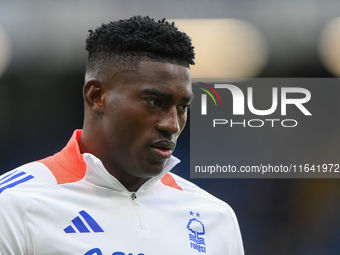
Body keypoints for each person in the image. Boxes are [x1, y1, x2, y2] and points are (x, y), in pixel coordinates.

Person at [0, 16, 244, 255]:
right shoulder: (14, 205)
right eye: (155, 102)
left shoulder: (215, 218)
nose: (172, 125)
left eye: (182, 107)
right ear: (97, 96)